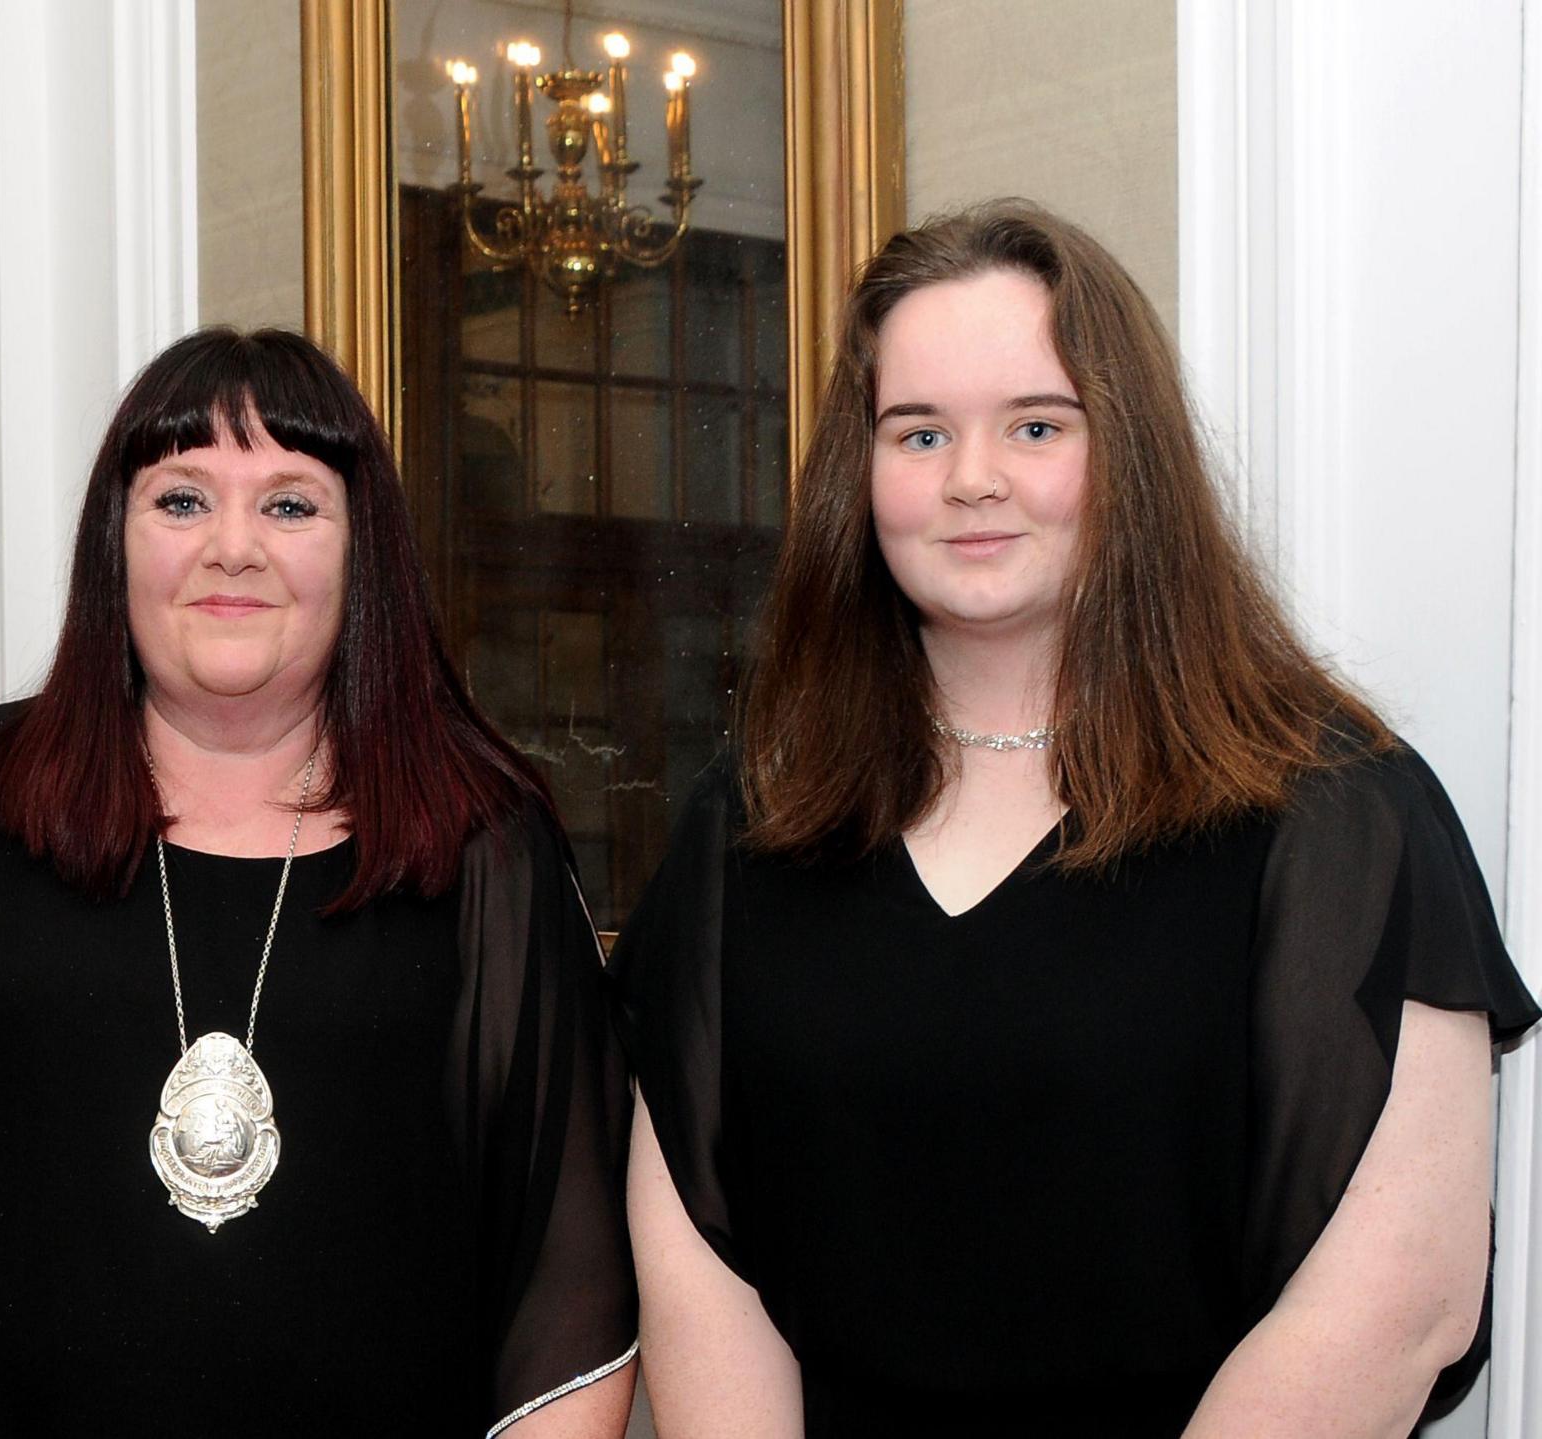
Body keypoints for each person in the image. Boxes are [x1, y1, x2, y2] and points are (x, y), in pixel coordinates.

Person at [614, 199, 1540, 1436]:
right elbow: (695, 1257)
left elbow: (1399, 1303)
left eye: (1035, 424)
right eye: (918, 432)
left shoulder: (1338, 813)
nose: (972, 478)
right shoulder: (754, 814)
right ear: (861, 472)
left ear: (1129, 456)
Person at [0, 327, 637, 1436]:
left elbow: (570, 1282)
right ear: (117, 542)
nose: (233, 549)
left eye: (290, 505)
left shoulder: (489, 841)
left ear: (364, 551)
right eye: (182, 500)